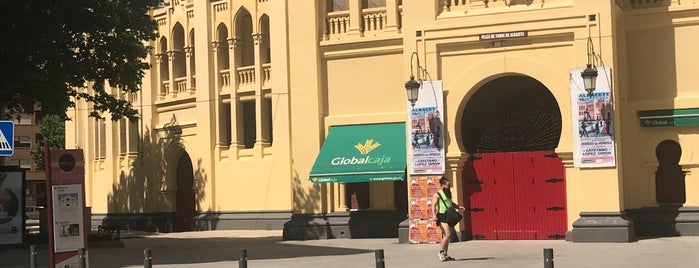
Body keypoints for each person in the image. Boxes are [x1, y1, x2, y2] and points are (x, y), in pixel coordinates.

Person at [431, 177, 466, 262]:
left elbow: (450, 203)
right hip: (442, 216)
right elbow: (433, 206)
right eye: (448, 185)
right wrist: (434, 215)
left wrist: (458, 207)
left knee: (447, 235)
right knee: (447, 234)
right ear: (443, 185)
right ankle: (441, 252)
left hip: (449, 215)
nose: (449, 186)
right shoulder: (437, 194)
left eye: (449, 185)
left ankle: (445, 254)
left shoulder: (448, 193)